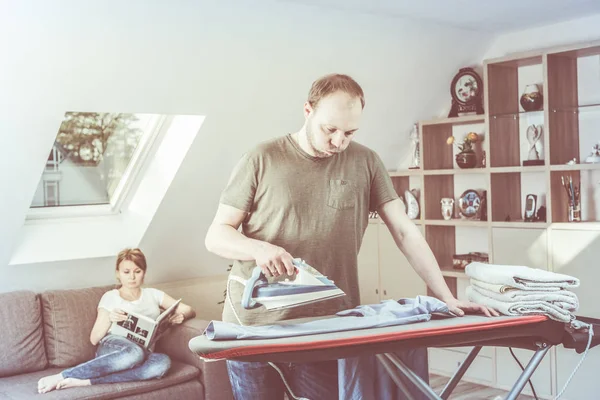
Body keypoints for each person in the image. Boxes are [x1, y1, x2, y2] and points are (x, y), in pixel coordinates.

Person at [204, 73, 499, 399]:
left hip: (330, 325)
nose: (339, 142)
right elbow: (217, 236)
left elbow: (405, 232)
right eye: (330, 130)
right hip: (255, 328)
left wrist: (447, 296)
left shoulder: (366, 162)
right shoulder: (261, 159)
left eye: (349, 132)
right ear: (308, 110)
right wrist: (259, 249)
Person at [37, 248, 196, 394]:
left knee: (162, 363)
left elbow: (188, 309)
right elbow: (94, 339)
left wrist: (180, 316)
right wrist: (111, 318)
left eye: (137, 271)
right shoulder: (111, 297)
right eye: (126, 272)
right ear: (118, 273)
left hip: (144, 350)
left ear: (144, 273)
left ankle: (88, 381)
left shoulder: (153, 294)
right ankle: (63, 375)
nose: (132, 277)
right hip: (113, 346)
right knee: (134, 353)